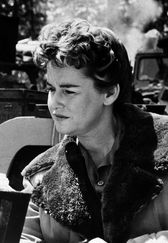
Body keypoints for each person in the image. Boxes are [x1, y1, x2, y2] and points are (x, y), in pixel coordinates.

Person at [20, 19, 168, 243]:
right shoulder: (41, 176)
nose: (55, 102)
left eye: (69, 91)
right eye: (52, 89)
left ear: (109, 93)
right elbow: (20, 237)